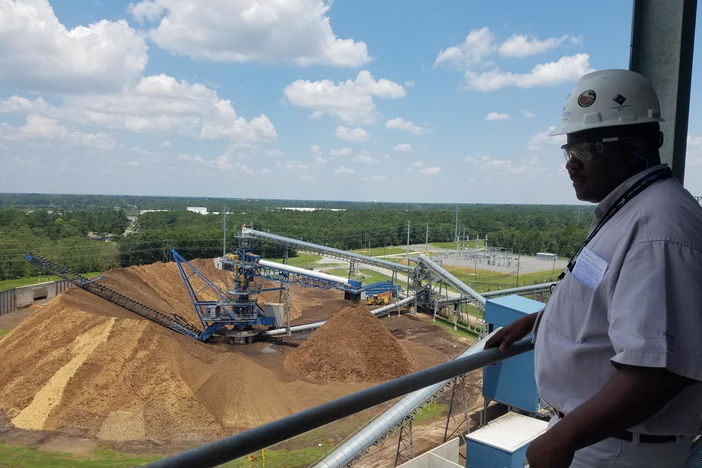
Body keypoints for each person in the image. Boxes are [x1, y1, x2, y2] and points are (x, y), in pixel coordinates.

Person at [485, 69, 702, 468]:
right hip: (597, 438)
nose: (571, 165)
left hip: (614, 449)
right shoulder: (630, 209)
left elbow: (660, 370)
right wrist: (540, 320)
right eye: (569, 152)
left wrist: (562, 440)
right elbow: (605, 294)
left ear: (637, 147)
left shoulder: (660, 228)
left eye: (587, 150)